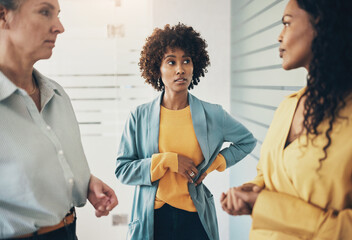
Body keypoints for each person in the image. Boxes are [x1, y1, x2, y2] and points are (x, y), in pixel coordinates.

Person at [221, 0, 352, 239]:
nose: (280, 37)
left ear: (321, 24)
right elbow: (270, 171)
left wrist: (265, 205)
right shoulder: (287, 107)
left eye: (287, 23)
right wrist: (252, 190)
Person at [115, 23, 256, 240]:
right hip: (153, 220)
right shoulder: (139, 116)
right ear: (157, 68)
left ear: (194, 66)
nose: (180, 69)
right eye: (171, 62)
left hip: (195, 221)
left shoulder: (213, 115)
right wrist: (168, 161)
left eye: (186, 61)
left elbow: (247, 141)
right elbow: (123, 170)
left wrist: (215, 164)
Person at [0, 0, 118, 239]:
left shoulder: (57, 94)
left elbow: (27, 165)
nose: (59, 27)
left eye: (57, 15)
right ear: (1, 15)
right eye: (45, 12)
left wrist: (82, 181)